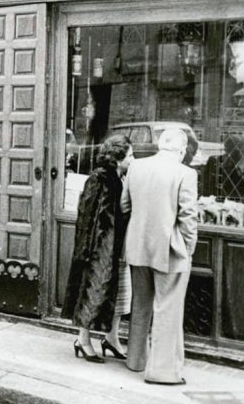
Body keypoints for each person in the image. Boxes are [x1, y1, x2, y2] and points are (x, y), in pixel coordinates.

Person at [120, 127, 198, 385]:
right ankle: (162, 372)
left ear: (160, 145)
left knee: (140, 304)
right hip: (170, 249)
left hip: (138, 246)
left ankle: (135, 361)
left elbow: (125, 205)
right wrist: (188, 250)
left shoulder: (137, 167)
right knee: (167, 309)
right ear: (182, 149)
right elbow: (189, 219)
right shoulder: (186, 173)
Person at [62, 135, 134, 363]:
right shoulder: (100, 178)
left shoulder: (116, 177)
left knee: (121, 294)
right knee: (94, 291)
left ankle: (111, 338)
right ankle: (83, 340)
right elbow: (89, 217)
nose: (133, 160)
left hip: (116, 247)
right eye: (130, 155)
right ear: (118, 158)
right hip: (100, 248)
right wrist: (95, 250)